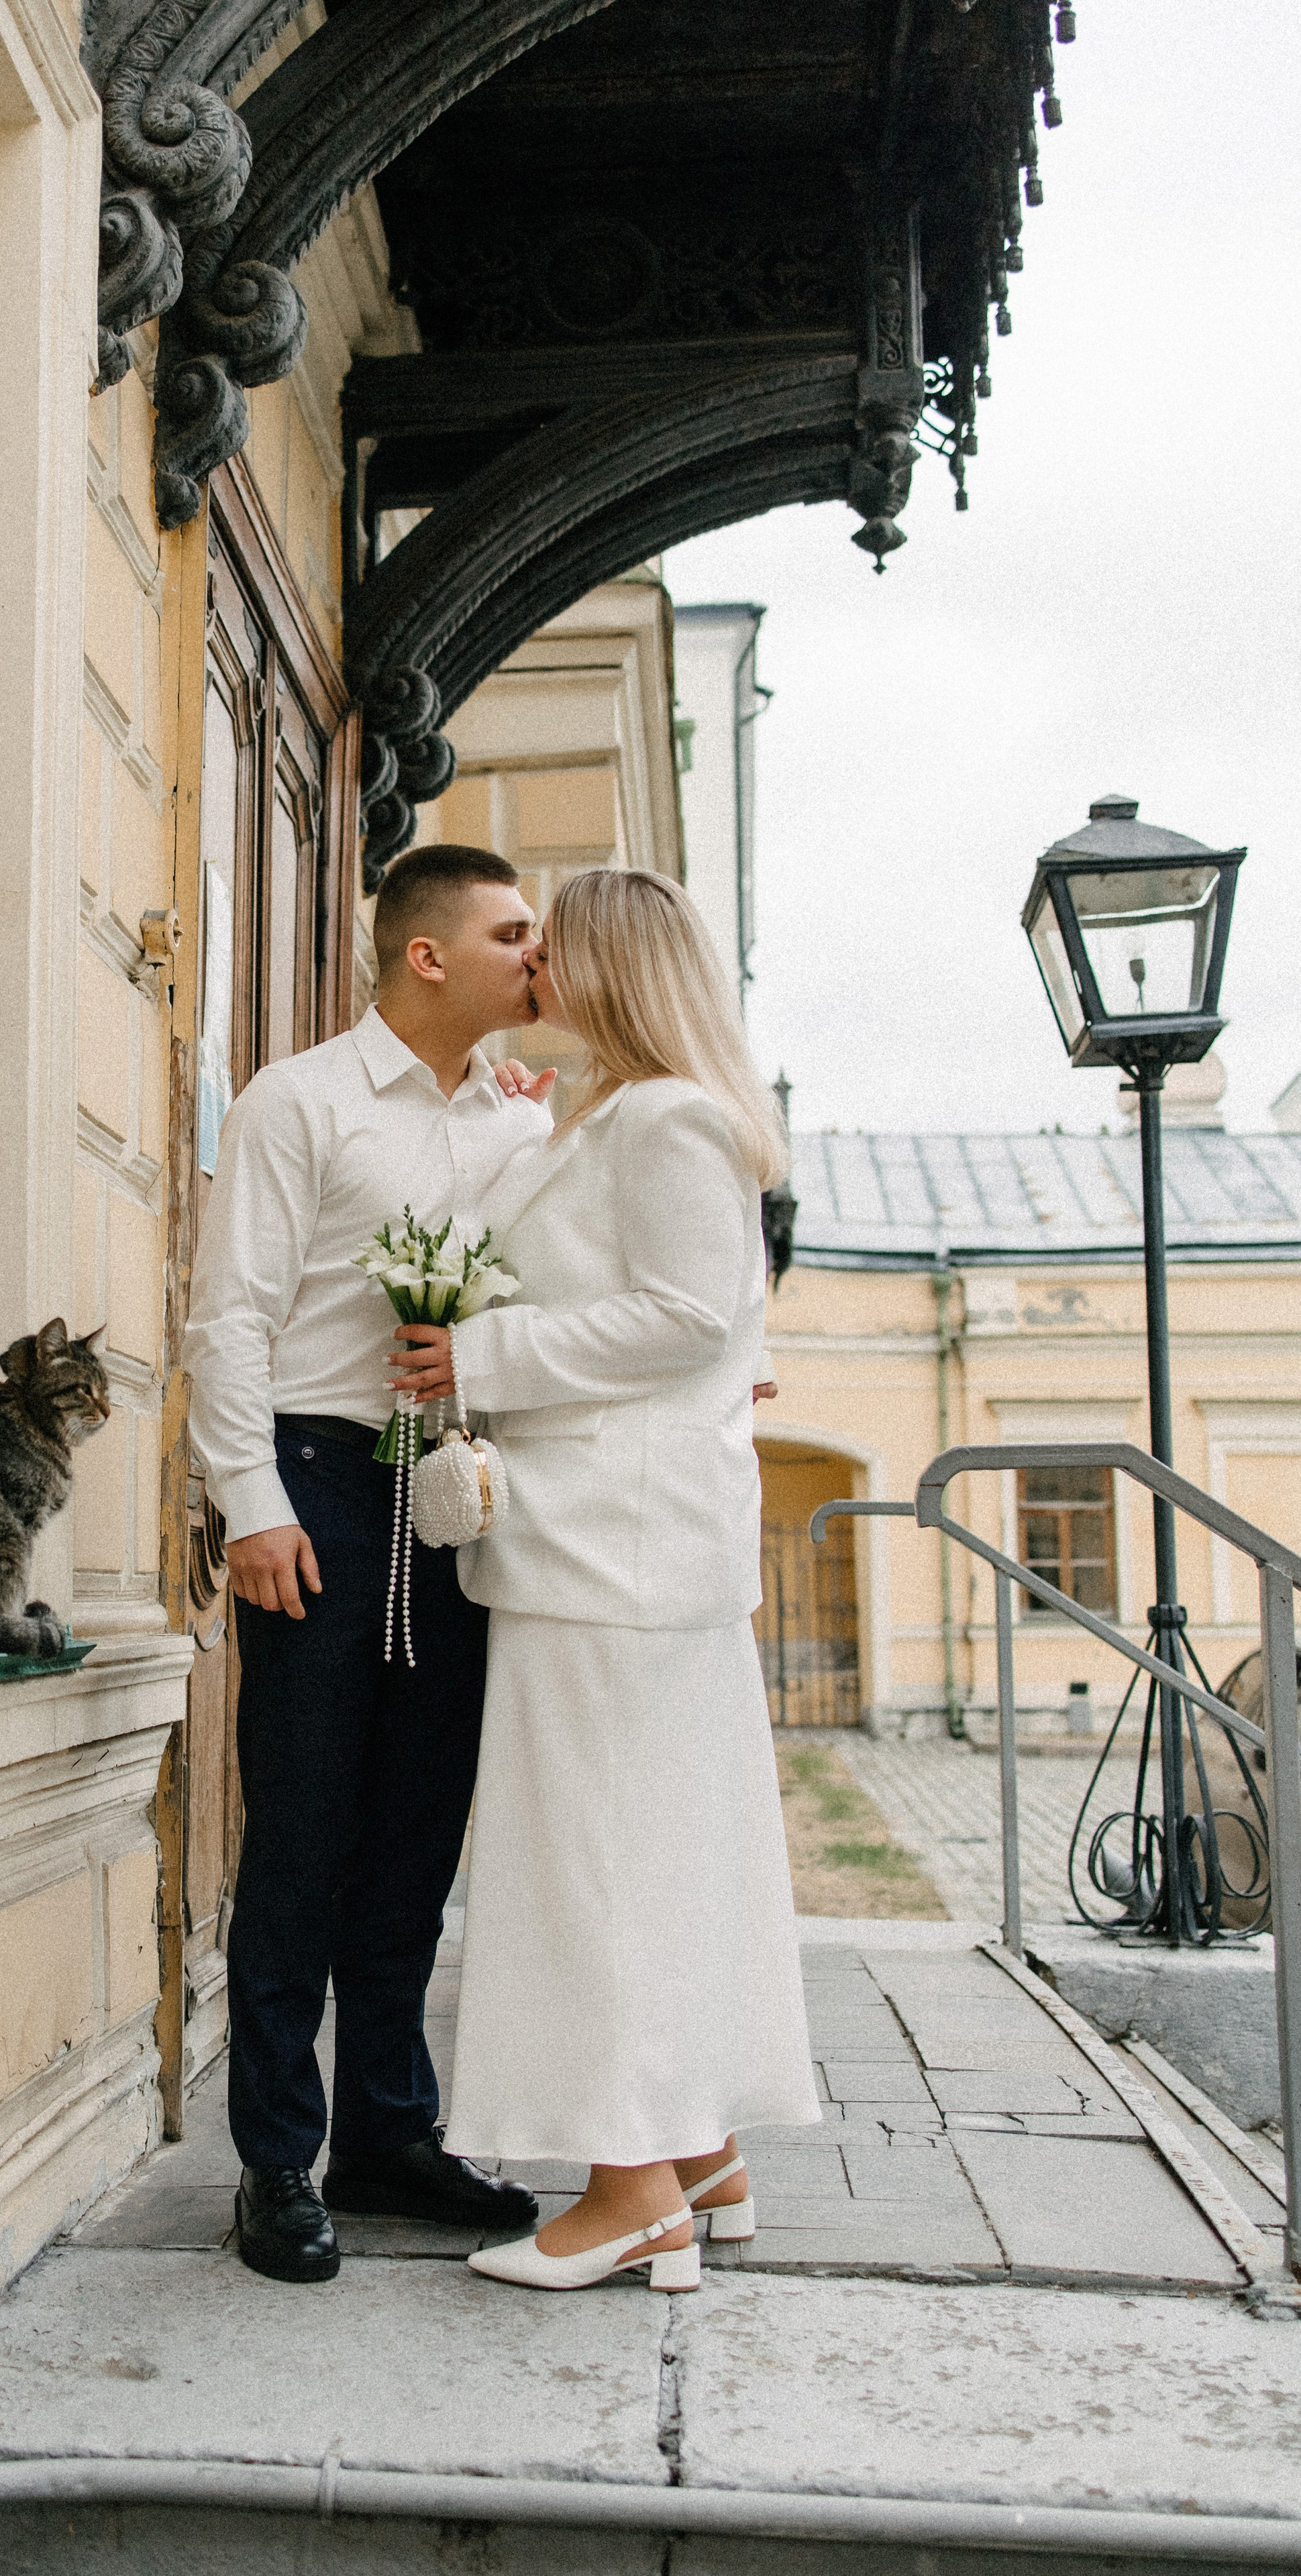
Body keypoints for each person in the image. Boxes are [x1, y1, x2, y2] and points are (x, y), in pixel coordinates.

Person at [388, 867, 819, 2292]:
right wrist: (525, 1114)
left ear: (613, 969)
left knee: (589, 1869)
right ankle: (694, 2152)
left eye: (550, 949)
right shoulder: (613, 1117)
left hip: (610, 1553)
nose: (532, 969)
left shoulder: (671, 1123)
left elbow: (687, 1318)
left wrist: (480, 1360)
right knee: (649, 1855)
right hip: (616, 1549)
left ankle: (625, 2191)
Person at [181, 845, 550, 2284]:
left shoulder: (523, 1128)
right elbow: (232, 1319)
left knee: (414, 1832)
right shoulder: (302, 1102)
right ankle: (276, 2159)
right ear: (426, 955)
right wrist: (251, 1502)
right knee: (302, 1830)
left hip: (448, 1489)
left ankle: (389, 2137)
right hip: (320, 1485)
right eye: (513, 930)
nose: (540, 953)